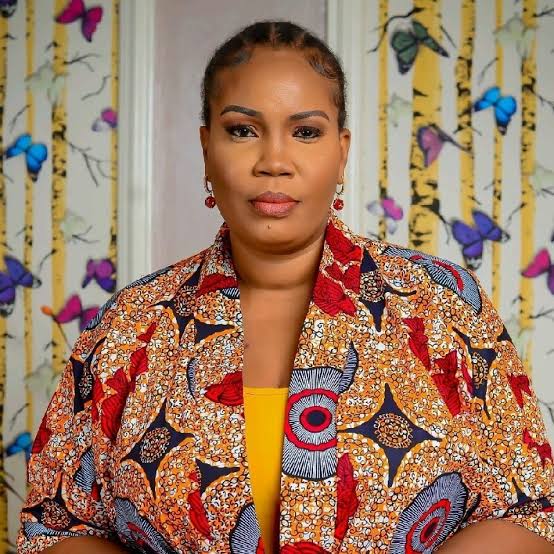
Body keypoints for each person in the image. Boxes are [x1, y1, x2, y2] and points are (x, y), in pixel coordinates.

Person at [17, 19, 553, 554]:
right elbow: (56, 527)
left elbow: (533, 512)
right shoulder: (130, 324)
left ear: (341, 152)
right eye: (242, 130)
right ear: (206, 148)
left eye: (306, 132)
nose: (274, 161)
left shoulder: (442, 304)